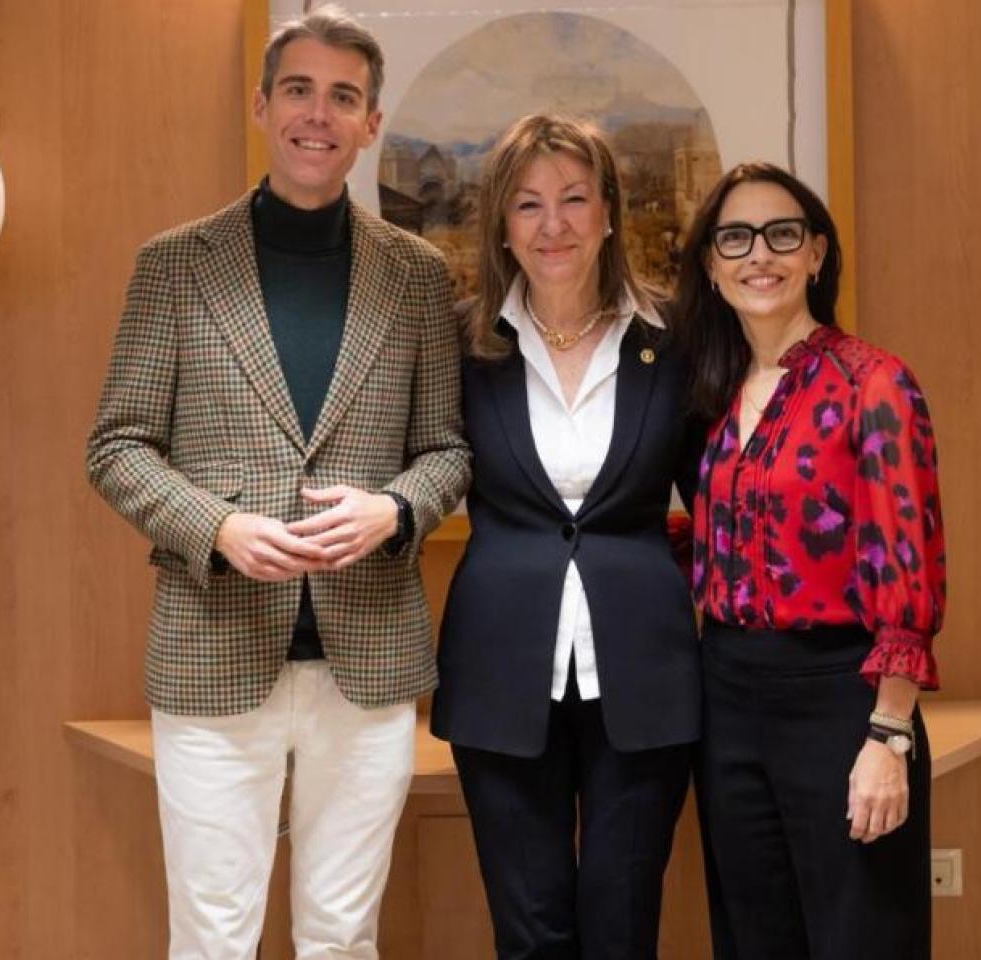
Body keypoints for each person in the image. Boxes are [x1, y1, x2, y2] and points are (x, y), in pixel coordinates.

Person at [84, 6, 470, 958]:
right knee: (214, 937)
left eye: (344, 97)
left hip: (367, 662)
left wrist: (396, 508)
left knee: (342, 936)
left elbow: (449, 451)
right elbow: (118, 445)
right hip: (213, 656)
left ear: (371, 123)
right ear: (262, 105)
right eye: (298, 89)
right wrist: (216, 527)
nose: (318, 113)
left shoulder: (418, 276)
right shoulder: (174, 266)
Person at [429, 114, 701, 960]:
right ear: (502, 227)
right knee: (531, 929)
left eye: (575, 199)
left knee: (622, 924)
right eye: (529, 205)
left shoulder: (677, 339)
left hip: (646, 672)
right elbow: (425, 466)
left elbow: (726, 499)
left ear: (611, 211)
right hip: (500, 673)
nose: (554, 225)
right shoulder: (461, 343)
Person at [673, 162, 947, 960]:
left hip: (842, 702)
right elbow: (721, 538)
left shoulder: (875, 384)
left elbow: (910, 564)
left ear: (817, 254)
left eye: (782, 234)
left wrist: (888, 736)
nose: (760, 255)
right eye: (736, 238)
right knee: (755, 942)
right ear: (711, 267)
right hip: (725, 702)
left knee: (863, 939)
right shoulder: (712, 395)